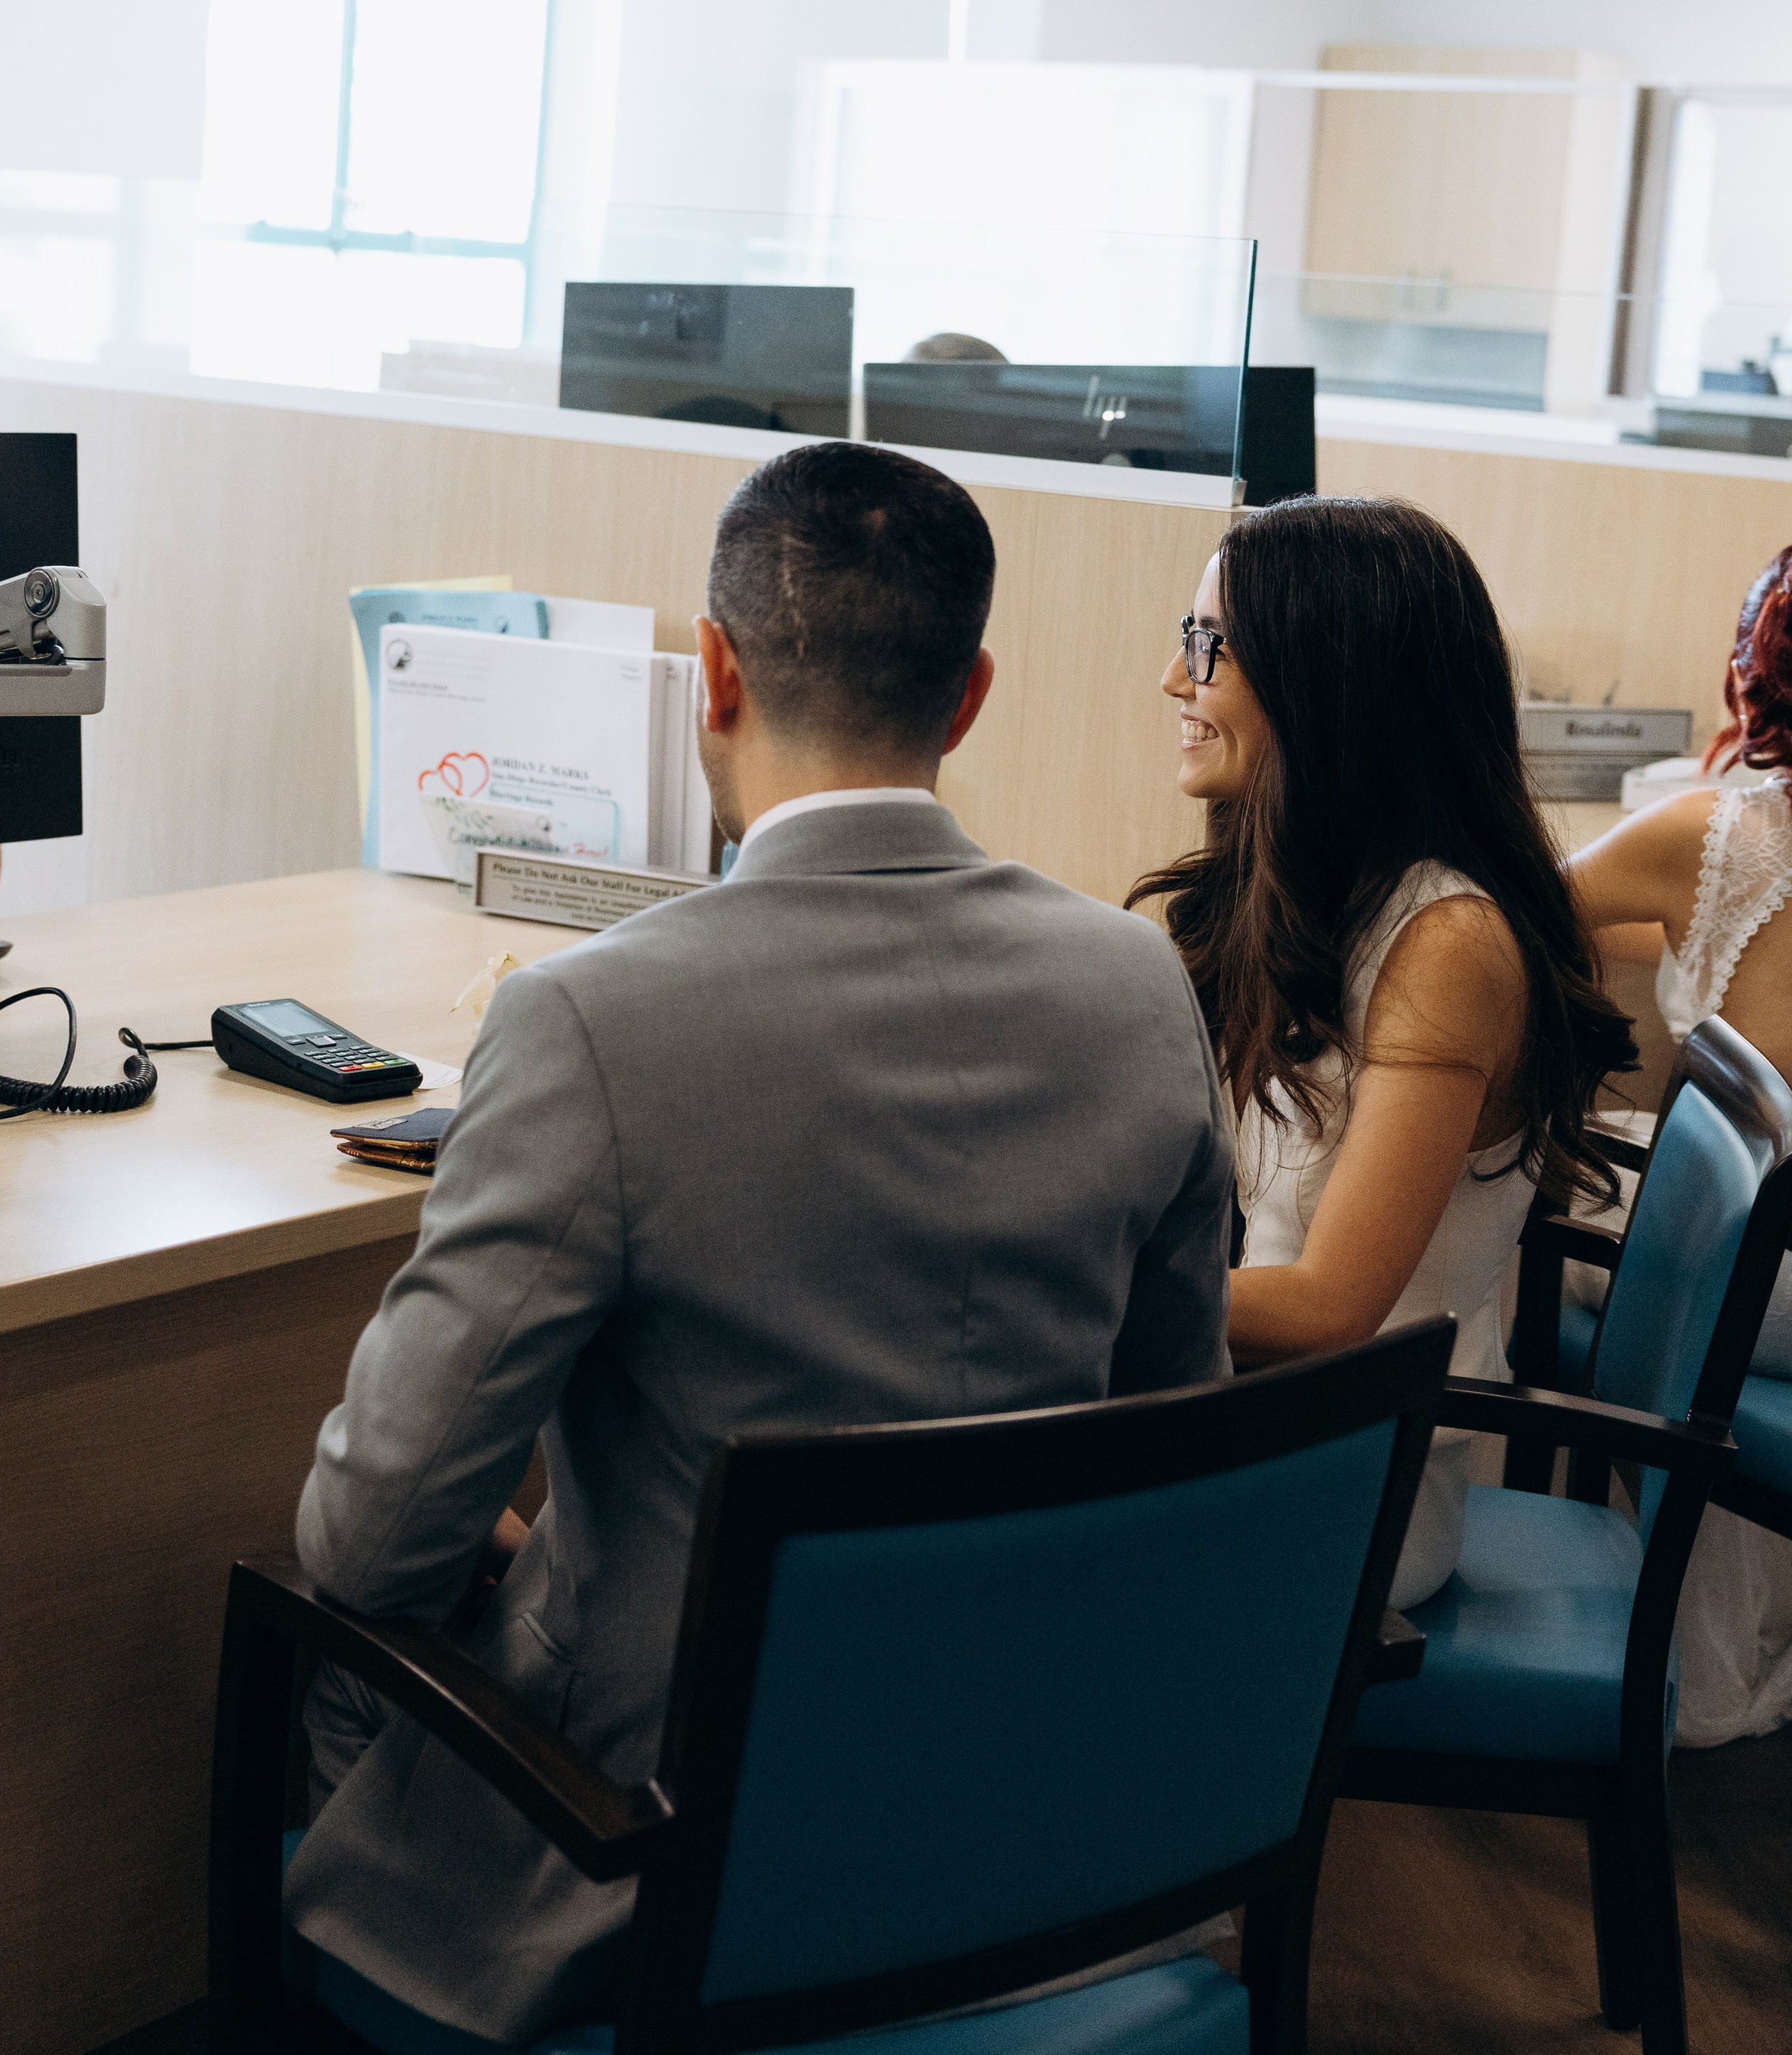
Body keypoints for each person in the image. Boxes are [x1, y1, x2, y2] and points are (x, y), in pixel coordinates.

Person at [285, 441, 1235, 2045]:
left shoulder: (590, 1020)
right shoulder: (1138, 986)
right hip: (1035, 1822)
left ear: (712, 675)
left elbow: (370, 1549)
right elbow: (1171, 1433)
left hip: (668, 1860)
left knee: (327, 1648)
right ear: (970, 696)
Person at [1132, 494, 1631, 1609]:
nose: (1176, 679)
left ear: (1327, 683)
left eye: (1211, 647)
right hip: (1279, 1424)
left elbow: (1329, 1312)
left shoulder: (1445, 945)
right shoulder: (1329, 899)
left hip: (1362, 1484)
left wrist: (1083, 1286)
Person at [1567, 538, 1792, 1756]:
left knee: (1562, 1180)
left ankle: (1578, 1595)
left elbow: (1511, 915)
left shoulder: (1711, 833)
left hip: (1778, 1282)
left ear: (1762, 677)